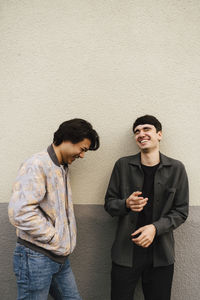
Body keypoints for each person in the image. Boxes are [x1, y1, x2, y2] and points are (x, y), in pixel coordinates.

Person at [8, 118, 100, 300]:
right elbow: (20, 212)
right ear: (67, 139)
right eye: (82, 149)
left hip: (59, 258)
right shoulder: (37, 164)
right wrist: (55, 237)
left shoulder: (62, 167)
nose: (82, 156)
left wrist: (60, 243)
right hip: (35, 257)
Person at [104, 115, 189, 300]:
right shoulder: (122, 165)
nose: (141, 134)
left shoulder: (176, 168)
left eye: (146, 129)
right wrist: (125, 204)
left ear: (159, 134)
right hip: (126, 252)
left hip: (161, 254)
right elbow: (109, 204)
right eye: (137, 131)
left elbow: (181, 211)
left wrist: (154, 228)